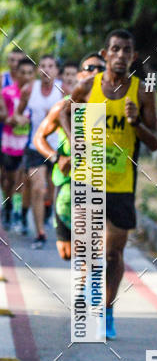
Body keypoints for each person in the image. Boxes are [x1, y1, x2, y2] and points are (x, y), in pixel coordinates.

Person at [65, 31, 157, 338]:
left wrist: (135, 124)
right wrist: (74, 139)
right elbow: (63, 113)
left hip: (121, 184)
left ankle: (107, 309)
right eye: (115, 49)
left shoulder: (141, 92)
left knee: (112, 254)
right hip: (88, 178)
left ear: (133, 57)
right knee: (87, 248)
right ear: (105, 54)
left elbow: (155, 142)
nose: (120, 55)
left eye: (126, 51)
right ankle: (86, 301)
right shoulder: (88, 87)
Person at [33, 54, 104, 259]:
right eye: (90, 68)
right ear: (81, 74)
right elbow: (39, 137)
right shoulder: (63, 107)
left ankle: (87, 286)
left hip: (98, 185)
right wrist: (57, 158)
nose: (95, 73)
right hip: (66, 184)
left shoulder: (113, 106)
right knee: (66, 253)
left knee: (90, 250)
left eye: (100, 69)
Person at [19, 54, 63, 247]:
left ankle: (47, 210)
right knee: (38, 187)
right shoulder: (29, 90)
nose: (46, 69)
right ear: (39, 71)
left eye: (50, 65)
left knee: (51, 189)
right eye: (43, 66)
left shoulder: (65, 91)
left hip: (57, 147)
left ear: (56, 71)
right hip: (35, 147)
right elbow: (18, 114)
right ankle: (40, 233)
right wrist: (20, 119)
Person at [1, 57, 34, 230]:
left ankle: (21, 215)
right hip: (9, 143)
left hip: (28, 145)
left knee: (25, 179)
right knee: (9, 180)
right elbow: (3, 115)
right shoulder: (7, 92)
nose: (27, 76)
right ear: (17, 74)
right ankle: (8, 207)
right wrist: (12, 119)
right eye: (23, 73)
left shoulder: (35, 94)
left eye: (30, 73)